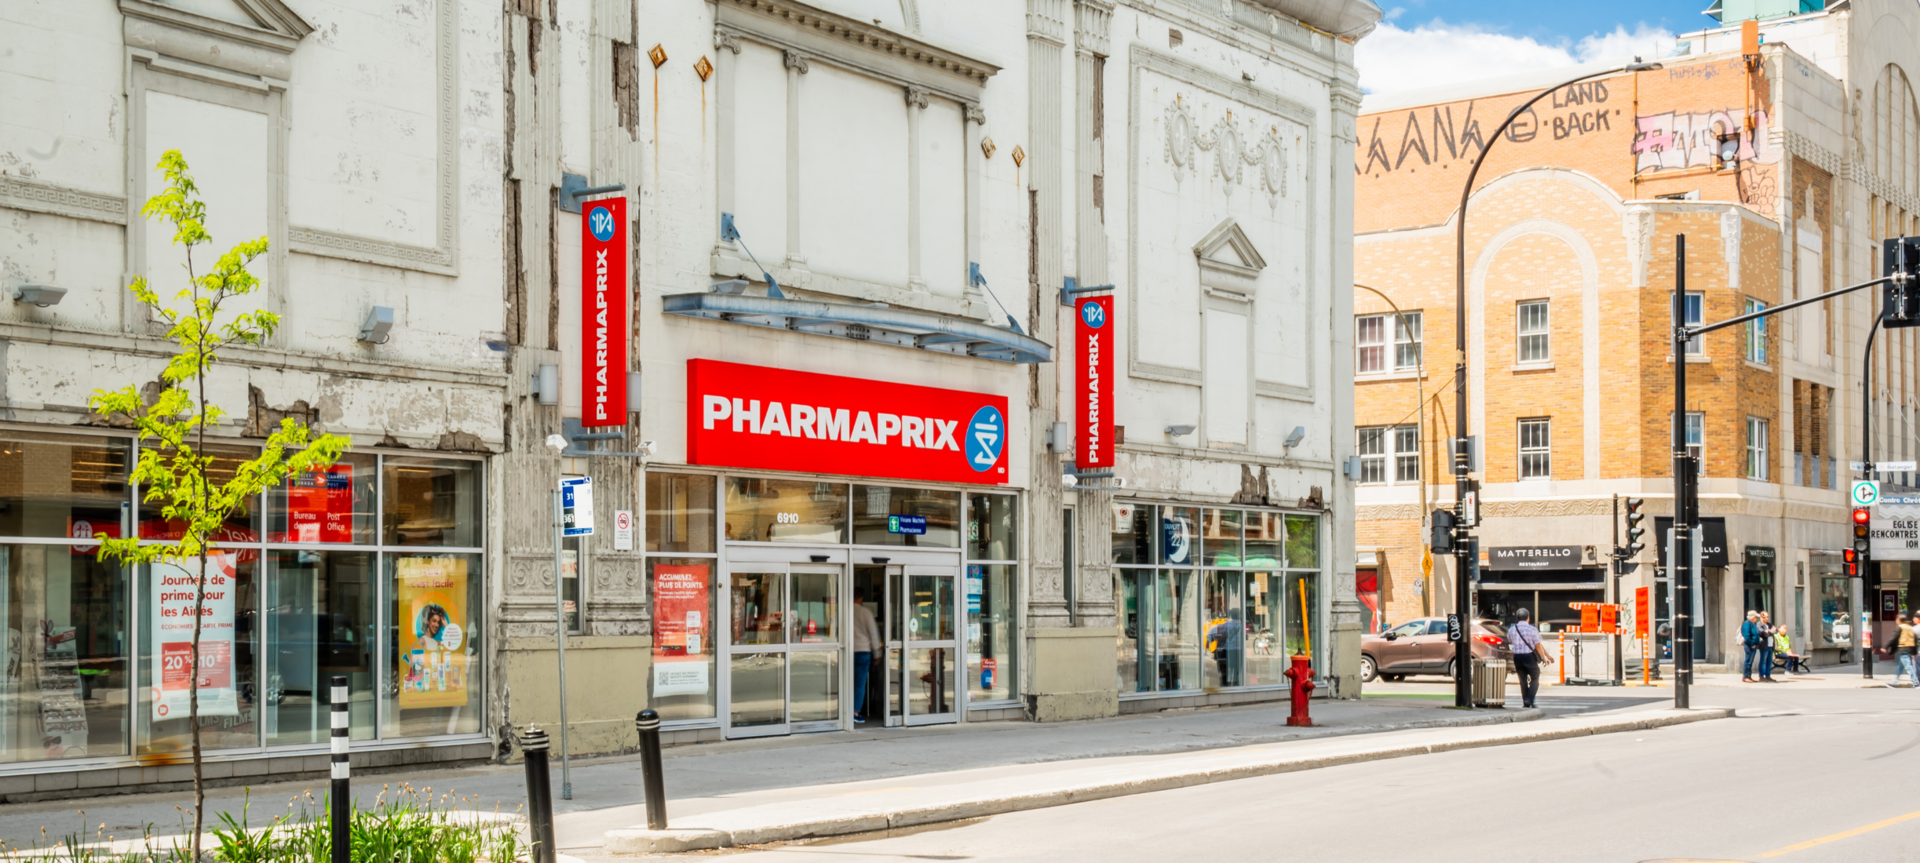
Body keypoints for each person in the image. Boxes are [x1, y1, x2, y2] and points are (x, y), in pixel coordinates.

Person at [851, 589, 881, 723]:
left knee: (847, 681)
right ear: (861, 598)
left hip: (848, 651)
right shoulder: (866, 612)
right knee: (860, 683)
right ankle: (855, 712)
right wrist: (877, 653)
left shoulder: (845, 611)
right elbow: (873, 634)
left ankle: (844, 710)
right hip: (863, 651)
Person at [1508, 608, 1544, 709]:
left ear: (1517, 618)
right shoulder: (1532, 629)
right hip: (1529, 656)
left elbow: (1510, 640)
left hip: (1517, 656)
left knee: (1522, 679)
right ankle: (1529, 699)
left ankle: (1525, 701)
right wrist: (1542, 657)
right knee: (1535, 676)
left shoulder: (1512, 629)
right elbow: (1537, 645)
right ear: (1528, 618)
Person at [1208, 609, 1244, 687]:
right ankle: (1235, 686)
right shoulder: (1241, 627)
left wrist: (1210, 642)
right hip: (1237, 652)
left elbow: (1210, 634)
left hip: (1223, 652)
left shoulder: (1223, 625)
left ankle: (1224, 685)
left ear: (1230, 615)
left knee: (1223, 673)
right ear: (1239, 616)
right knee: (1236, 673)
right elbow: (1245, 638)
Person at [1740, 611, 1765, 683]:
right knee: (1748, 661)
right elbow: (1747, 636)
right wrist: (1751, 644)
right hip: (1749, 646)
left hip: (1753, 645)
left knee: (1750, 662)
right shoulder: (1747, 623)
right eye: (1756, 617)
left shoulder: (1752, 624)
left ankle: (1749, 676)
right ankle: (1745, 677)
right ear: (1752, 617)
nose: (1756, 619)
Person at [1757, 611, 1777, 682]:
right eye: (1764, 617)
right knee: (1763, 661)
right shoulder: (1759, 625)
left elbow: (1776, 631)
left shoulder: (1769, 624)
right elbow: (1763, 633)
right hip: (1764, 645)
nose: (1766, 618)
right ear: (1761, 617)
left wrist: (1768, 631)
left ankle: (1768, 675)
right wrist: (1770, 631)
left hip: (1771, 645)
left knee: (1769, 662)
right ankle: (1761, 676)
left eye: (1767, 617)